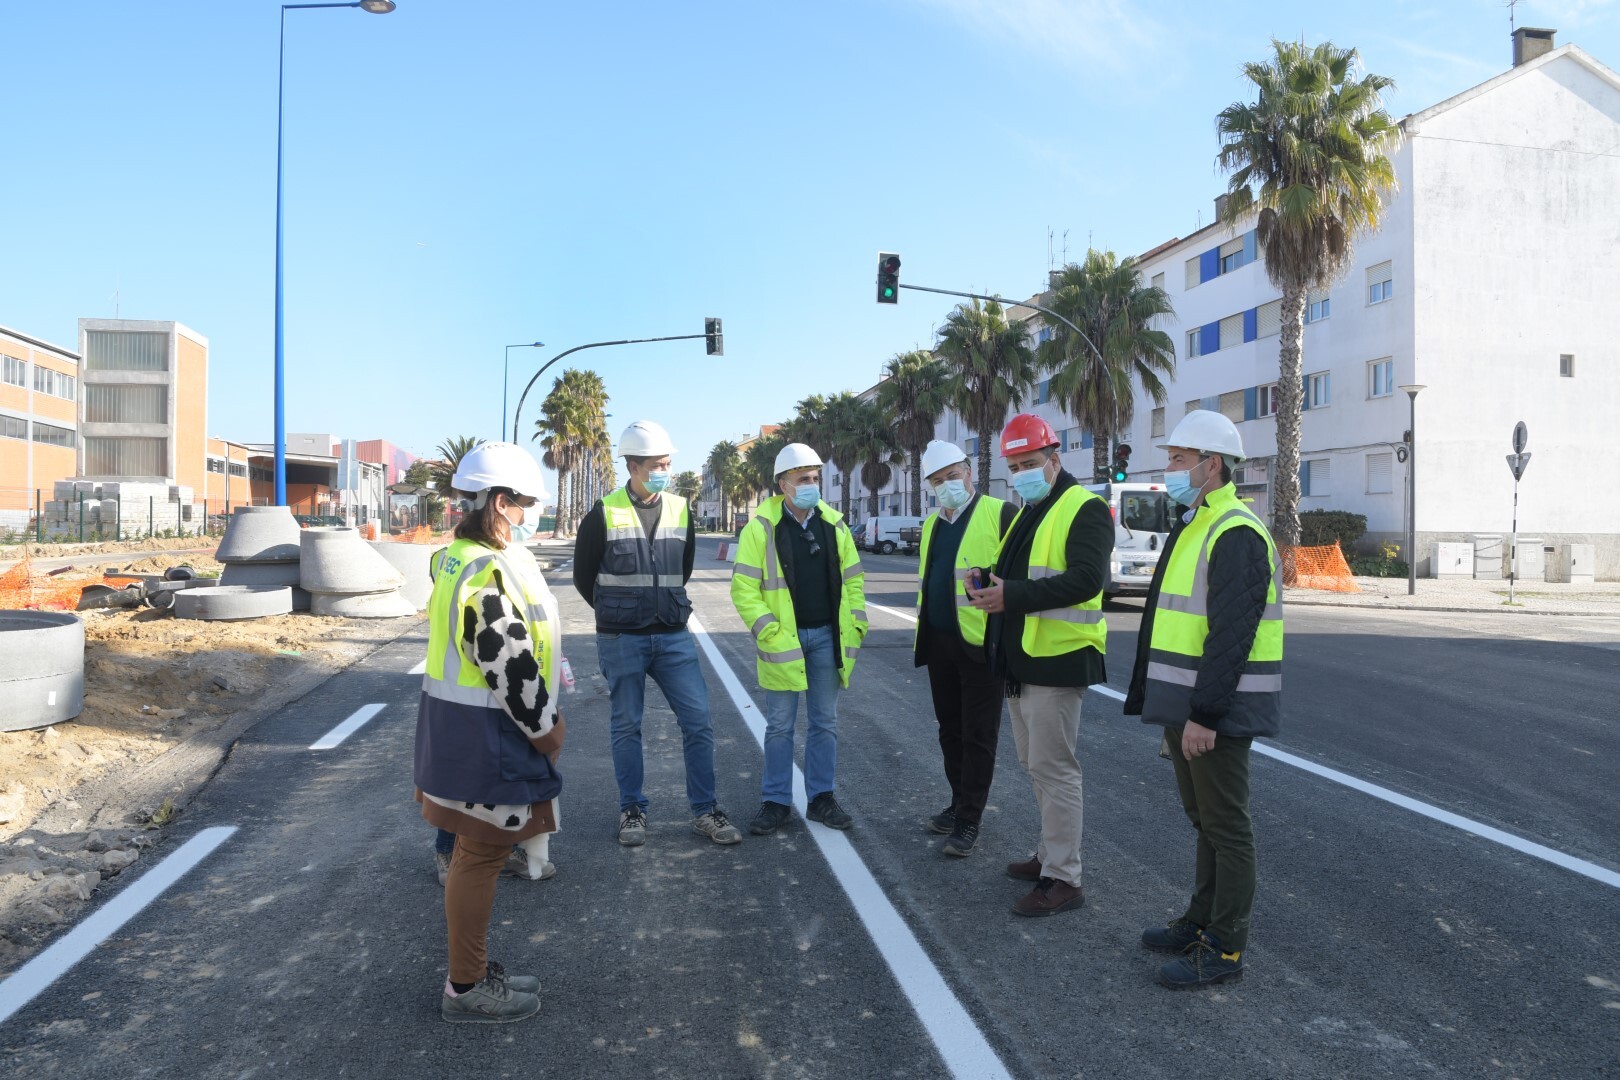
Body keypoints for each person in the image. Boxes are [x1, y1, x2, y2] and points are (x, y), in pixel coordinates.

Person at [1123, 410, 1283, 990]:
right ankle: (1201, 920)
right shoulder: (1197, 521)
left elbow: (1231, 635)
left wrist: (1205, 715)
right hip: (1188, 705)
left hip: (1215, 710)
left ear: (1211, 464)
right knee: (1205, 821)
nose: (1168, 468)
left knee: (1227, 826)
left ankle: (1225, 946)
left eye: (1178, 458)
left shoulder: (1235, 530)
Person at [413, 441, 563, 1024]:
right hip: (489, 735)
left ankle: (469, 972)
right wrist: (547, 730)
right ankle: (466, 985)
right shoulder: (484, 571)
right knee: (480, 855)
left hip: (463, 727)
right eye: (525, 504)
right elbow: (509, 664)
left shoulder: (459, 557)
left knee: (475, 853)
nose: (530, 515)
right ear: (500, 503)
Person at [966, 414, 1112, 917]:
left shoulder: (1084, 507)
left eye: (1030, 463)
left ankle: (1064, 878)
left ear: (1055, 458)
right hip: (1023, 660)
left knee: (1056, 769)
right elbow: (1018, 571)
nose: (1022, 473)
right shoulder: (1031, 510)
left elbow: (1087, 580)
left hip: (1058, 660)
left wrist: (1012, 595)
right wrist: (985, 576)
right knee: (1036, 765)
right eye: (1014, 467)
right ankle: (1050, 854)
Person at [573, 420, 739, 847]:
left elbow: (682, 568)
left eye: (667, 463)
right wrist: (617, 612)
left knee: (698, 721)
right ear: (633, 466)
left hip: (672, 635)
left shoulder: (681, 509)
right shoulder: (603, 511)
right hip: (621, 638)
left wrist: (659, 606)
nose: (665, 471)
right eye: (657, 465)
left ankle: (705, 811)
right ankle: (632, 811)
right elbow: (583, 577)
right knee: (627, 725)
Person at [730, 442, 867, 835]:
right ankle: (775, 802)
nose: (811, 485)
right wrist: (769, 632)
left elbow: (854, 581)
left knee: (825, 722)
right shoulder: (761, 528)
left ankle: (821, 798)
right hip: (783, 641)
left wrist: (856, 623)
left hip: (827, 638)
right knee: (779, 725)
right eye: (803, 479)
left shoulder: (834, 525)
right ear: (783, 485)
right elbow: (743, 589)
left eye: (815, 478)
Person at [913, 440, 1016, 857]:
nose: (947, 485)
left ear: (969, 472)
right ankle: (957, 802)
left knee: (979, 735)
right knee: (949, 730)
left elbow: (1017, 577)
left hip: (982, 647)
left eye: (952, 476)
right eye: (938, 481)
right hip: (940, 642)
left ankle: (970, 818)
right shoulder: (932, 526)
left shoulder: (1000, 513)